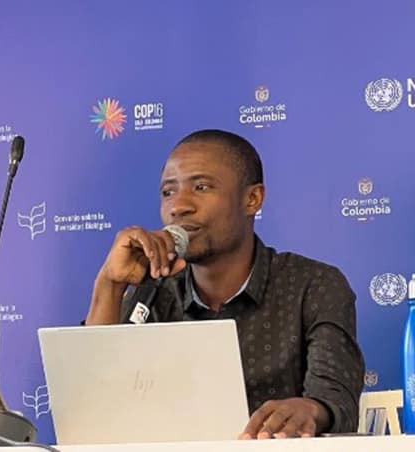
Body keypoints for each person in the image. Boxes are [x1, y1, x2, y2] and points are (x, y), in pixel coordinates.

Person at [85, 129, 364, 439]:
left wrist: (310, 410)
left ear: (252, 199)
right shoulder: (153, 293)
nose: (179, 206)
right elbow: (93, 411)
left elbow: (336, 401)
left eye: (201, 187)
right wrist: (110, 287)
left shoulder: (313, 285)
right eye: (168, 192)